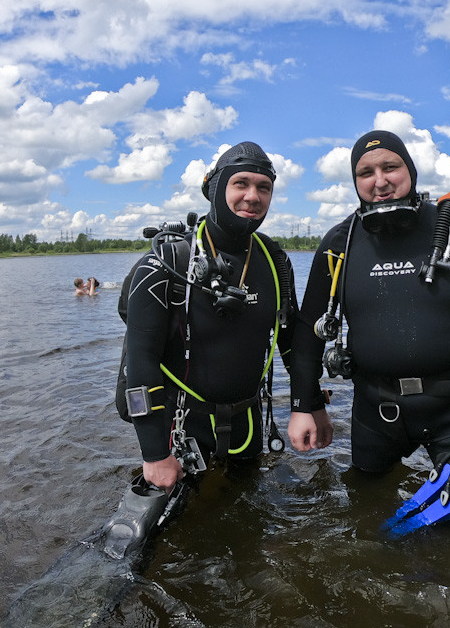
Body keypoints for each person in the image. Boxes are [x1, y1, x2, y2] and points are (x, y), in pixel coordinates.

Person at [288, 130, 450, 505]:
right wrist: (305, 405)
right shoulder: (338, 244)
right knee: (364, 512)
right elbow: (309, 331)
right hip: (375, 409)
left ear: (409, 171)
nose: (379, 181)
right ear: (355, 181)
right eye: (366, 172)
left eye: (390, 167)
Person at [120, 141, 328, 496]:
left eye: (264, 187)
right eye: (241, 183)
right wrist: (154, 452)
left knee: (248, 526)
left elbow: (291, 342)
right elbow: (140, 362)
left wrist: (312, 405)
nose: (253, 196)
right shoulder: (168, 262)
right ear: (215, 189)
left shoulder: (274, 261)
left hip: (247, 423)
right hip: (179, 427)